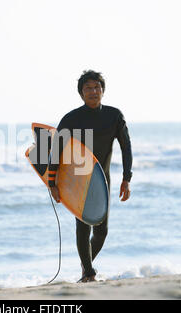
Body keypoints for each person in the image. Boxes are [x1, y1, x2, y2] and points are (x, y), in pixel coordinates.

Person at [48, 70, 133, 282]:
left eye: (97, 87)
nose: (93, 91)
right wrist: (52, 183)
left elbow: (126, 147)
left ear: (103, 91)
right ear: (81, 93)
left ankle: (85, 268)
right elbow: (55, 152)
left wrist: (126, 178)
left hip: (102, 179)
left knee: (102, 230)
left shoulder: (114, 116)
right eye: (88, 88)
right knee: (83, 225)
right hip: (77, 178)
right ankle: (89, 273)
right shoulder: (71, 119)